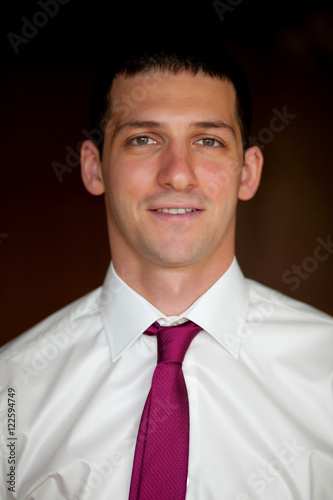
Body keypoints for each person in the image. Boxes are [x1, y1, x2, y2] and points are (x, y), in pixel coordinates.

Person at [0, 37, 332, 500]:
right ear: (94, 168)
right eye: (143, 139)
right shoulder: (11, 391)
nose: (178, 173)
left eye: (208, 141)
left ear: (247, 172)